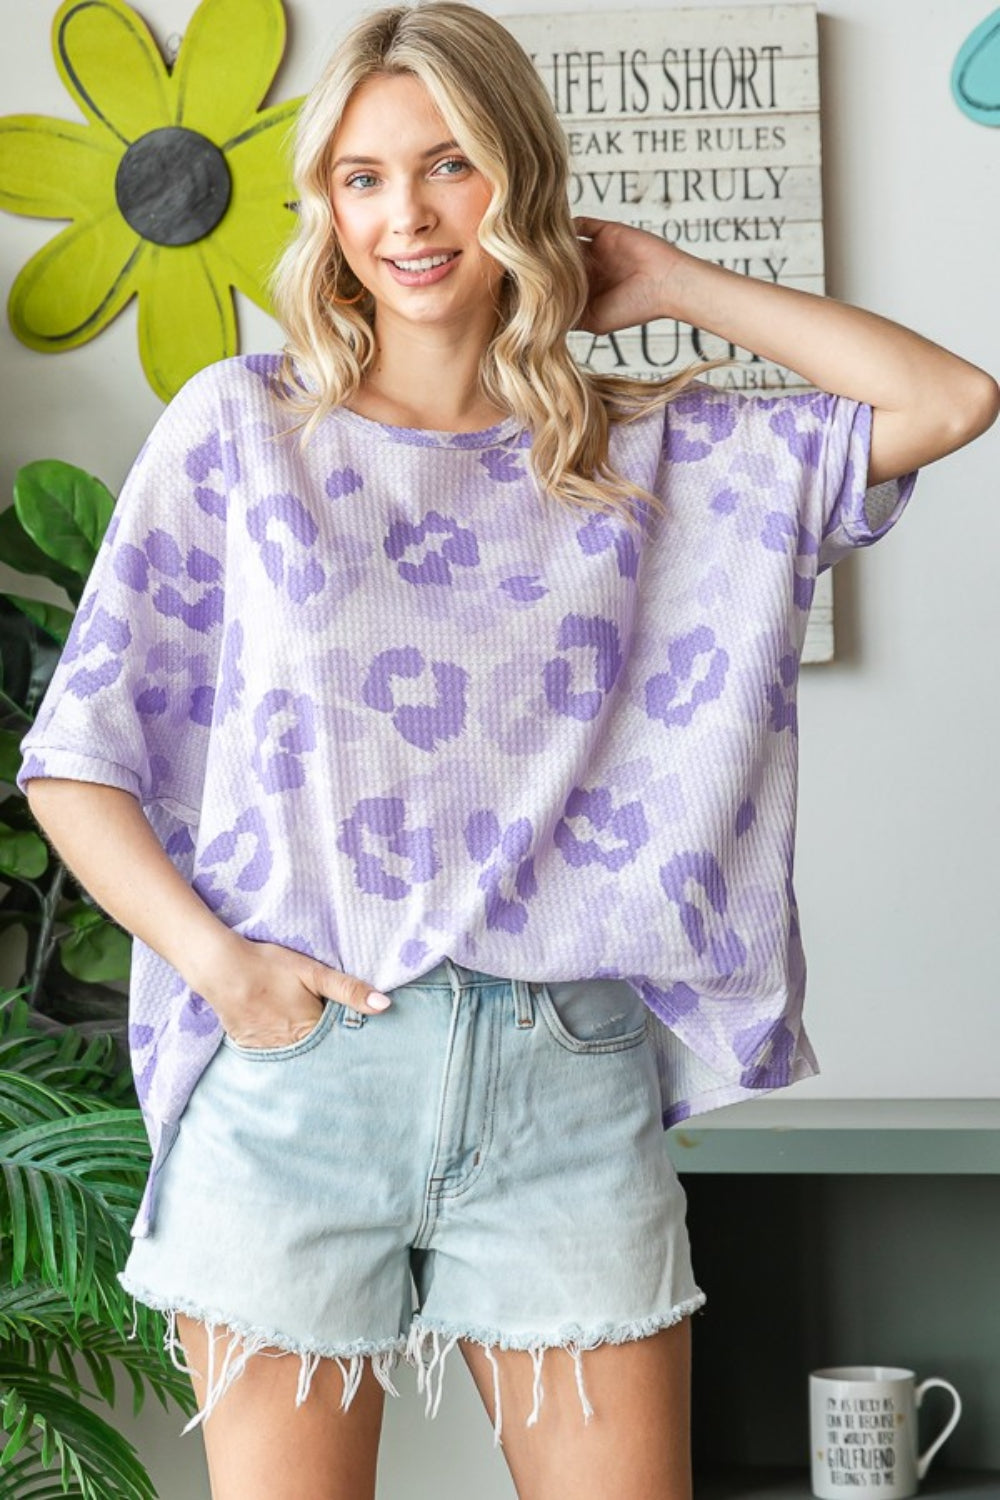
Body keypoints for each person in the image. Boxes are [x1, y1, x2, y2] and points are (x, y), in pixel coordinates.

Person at [17, 3, 997, 1498]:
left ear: (520, 180)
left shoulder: (647, 449)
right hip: (298, 1077)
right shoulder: (242, 430)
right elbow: (76, 761)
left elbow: (950, 400)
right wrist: (225, 972)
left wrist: (668, 280)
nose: (405, 216)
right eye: (361, 177)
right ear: (325, 205)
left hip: (565, 1080)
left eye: (450, 164)